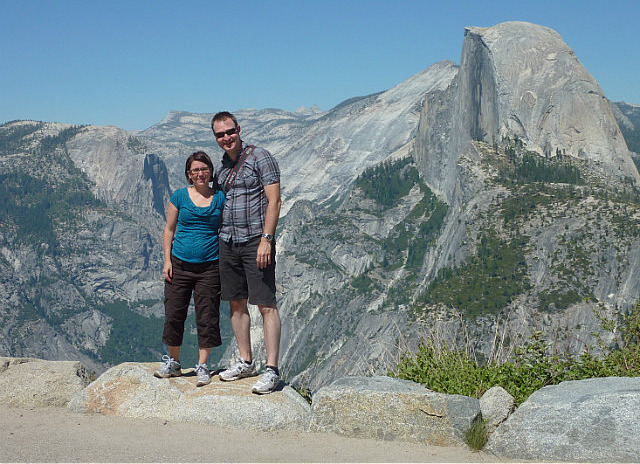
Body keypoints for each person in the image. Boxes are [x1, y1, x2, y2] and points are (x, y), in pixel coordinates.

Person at [211, 111, 283, 395]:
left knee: (266, 304)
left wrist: (267, 239)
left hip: (256, 241)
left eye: (230, 132)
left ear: (239, 129)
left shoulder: (260, 157)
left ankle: (272, 370)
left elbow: (275, 200)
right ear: (216, 138)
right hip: (227, 242)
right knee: (236, 304)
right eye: (220, 135)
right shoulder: (221, 168)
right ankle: (245, 361)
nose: (226, 138)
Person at [154, 151, 225, 387]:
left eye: (204, 169)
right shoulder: (179, 197)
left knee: (207, 316)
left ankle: (202, 366)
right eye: (195, 170)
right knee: (174, 313)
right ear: (189, 174)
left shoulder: (220, 198)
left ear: (211, 172)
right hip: (180, 264)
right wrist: (167, 261)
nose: (200, 173)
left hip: (209, 266)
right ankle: (174, 363)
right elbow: (169, 230)